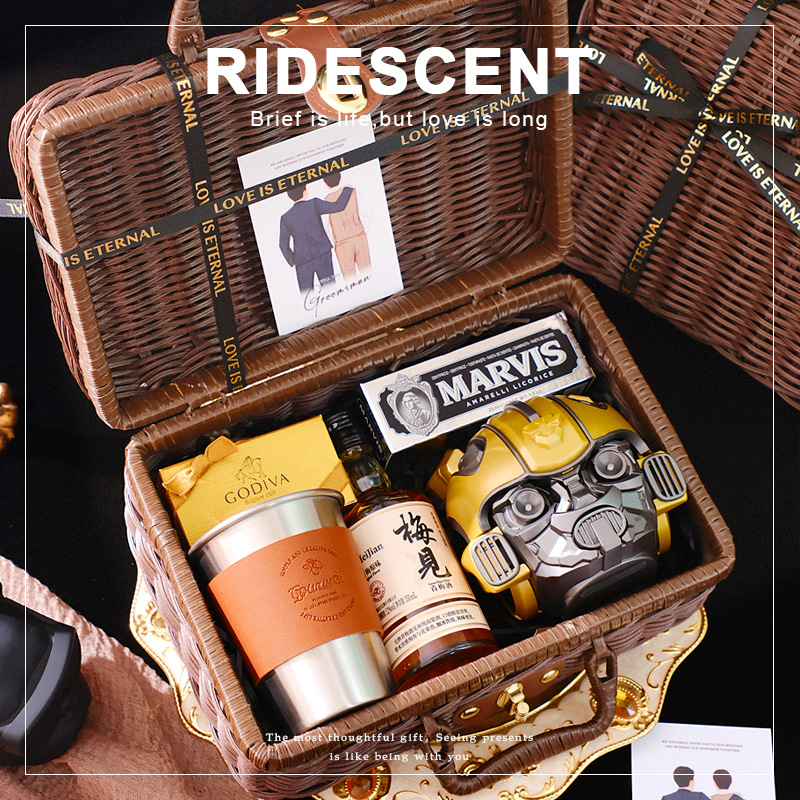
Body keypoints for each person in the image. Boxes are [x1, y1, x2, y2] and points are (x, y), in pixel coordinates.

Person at [278, 184, 354, 293]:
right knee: (331, 290)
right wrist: (347, 189)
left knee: (307, 295)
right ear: (305, 191)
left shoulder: (286, 217)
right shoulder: (314, 204)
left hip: (302, 261)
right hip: (323, 254)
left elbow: (283, 244)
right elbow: (338, 206)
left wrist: (292, 261)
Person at [322, 172, 372, 279]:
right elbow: (367, 212)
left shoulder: (325, 202)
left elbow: (325, 227)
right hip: (359, 235)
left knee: (350, 279)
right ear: (340, 177)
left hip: (342, 243)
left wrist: (333, 242)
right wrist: (365, 230)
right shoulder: (353, 192)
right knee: (368, 273)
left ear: (325, 183)